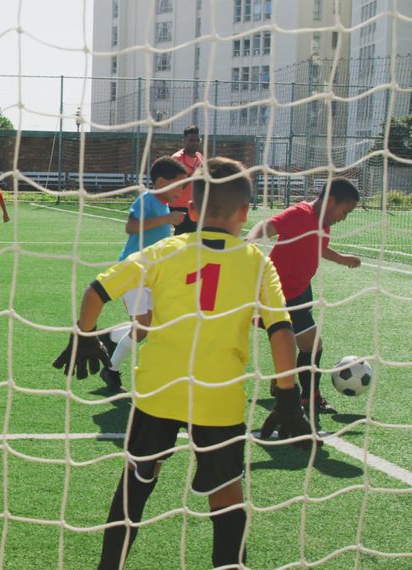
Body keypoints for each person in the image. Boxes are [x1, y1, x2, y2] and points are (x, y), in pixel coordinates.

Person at [53, 157, 314, 569]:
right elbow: (280, 332)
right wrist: (287, 396)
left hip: (159, 392)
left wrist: (85, 336)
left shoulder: (164, 250)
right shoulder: (257, 262)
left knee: (134, 488)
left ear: (190, 210)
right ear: (246, 213)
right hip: (220, 399)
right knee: (227, 498)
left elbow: (97, 290)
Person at [246, 177, 361, 415]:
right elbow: (268, 226)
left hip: (301, 291)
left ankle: (285, 383)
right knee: (312, 345)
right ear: (330, 200)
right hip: (281, 293)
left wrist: (342, 258)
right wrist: (248, 243)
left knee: (302, 343)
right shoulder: (300, 213)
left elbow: (318, 246)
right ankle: (308, 397)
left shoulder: (324, 222)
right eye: (344, 211)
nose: (344, 217)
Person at [98, 157, 189, 392]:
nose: (182, 190)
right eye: (179, 185)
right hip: (131, 272)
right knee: (142, 328)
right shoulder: (148, 198)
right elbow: (130, 227)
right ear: (161, 182)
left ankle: (112, 337)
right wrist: (168, 219)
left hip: (151, 275)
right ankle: (111, 370)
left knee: (150, 325)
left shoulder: (164, 204)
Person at [167, 125, 204, 235]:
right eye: (191, 140)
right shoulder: (176, 158)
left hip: (194, 205)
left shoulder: (200, 157)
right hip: (178, 205)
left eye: (197, 140)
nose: (195, 143)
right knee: (186, 235)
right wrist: (193, 174)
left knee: (187, 237)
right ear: (184, 141)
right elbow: (175, 186)